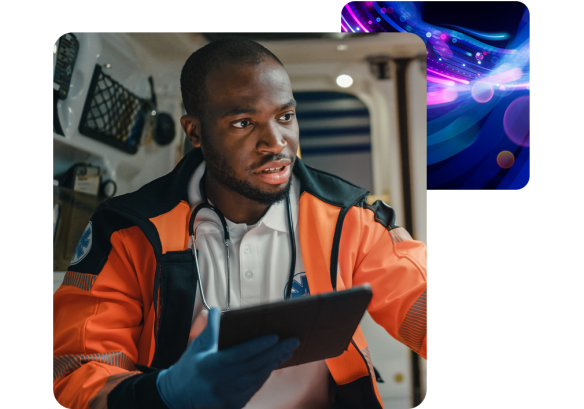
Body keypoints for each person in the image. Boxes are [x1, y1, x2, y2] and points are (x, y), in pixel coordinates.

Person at [53, 36, 427, 409]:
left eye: (285, 116)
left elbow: (419, 301)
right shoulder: (128, 229)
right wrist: (162, 396)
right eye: (244, 122)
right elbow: (76, 371)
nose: (276, 142)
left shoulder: (351, 217)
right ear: (195, 132)